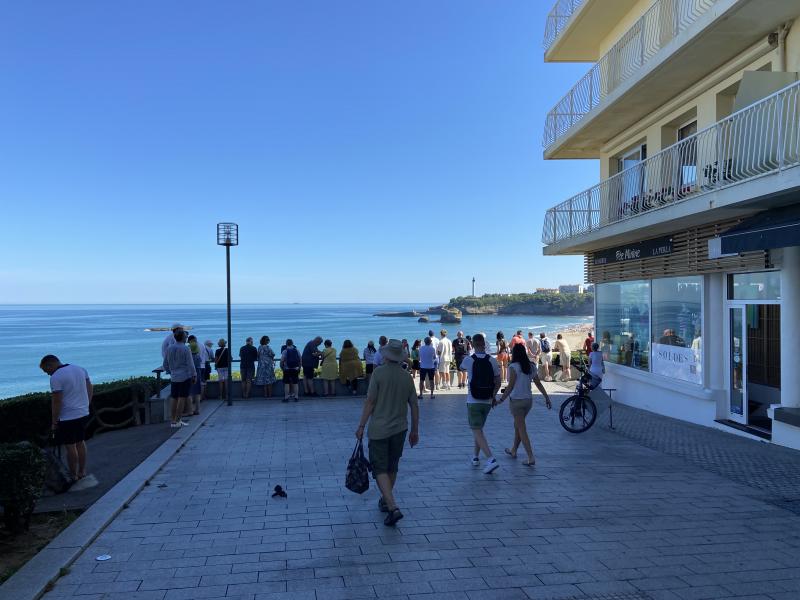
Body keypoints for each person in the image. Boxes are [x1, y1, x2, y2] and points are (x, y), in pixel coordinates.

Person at [354, 339, 420, 527]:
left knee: (379, 468)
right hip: (400, 429)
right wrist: (415, 429)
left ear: (386, 355)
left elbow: (370, 402)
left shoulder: (378, 374)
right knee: (392, 466)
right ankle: (385, 499)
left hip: (379, 430)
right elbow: (414, 405)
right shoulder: (406, 376)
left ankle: (392, 506)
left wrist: (360, 426)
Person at [496, 343, 552, 466]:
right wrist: (546, 397)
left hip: (516, 401)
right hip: (528, 401)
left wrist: (500, 400)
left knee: (521, 428)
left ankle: (530, 457)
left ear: (514, 353)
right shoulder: (531, 366)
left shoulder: (513, 367)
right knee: (518, 426)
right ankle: (513, 450)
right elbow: (538, 383)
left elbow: (510, 387)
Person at [40, 355, 92, 481]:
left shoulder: (56, 377)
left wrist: (54, 422)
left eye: (46, 371)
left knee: (70, 446)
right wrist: (87, 404)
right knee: (80, 442)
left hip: (67, 417)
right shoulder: (80, 369)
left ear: (50, 365)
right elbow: (90, 387)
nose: (48, 374)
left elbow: (56, 401)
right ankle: (82, 471)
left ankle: (73, 475)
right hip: (82, 413)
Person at [460, 333, 501, 474]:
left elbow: (461, 368)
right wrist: (494, 395)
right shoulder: (492, 360)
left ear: (473, 344)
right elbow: (498, 381)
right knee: (479, 429)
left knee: (476, 430)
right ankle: (476, 457)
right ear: (484, 343)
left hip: (473, 400)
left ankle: (490, 459)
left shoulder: (468, 360)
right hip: (488, 401)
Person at [164, 330, 197, 428]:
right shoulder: (186, 348)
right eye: (185, 336)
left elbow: (165, 364)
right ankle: (178, 420)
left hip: (174, 377)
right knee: (182, 398)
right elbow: (190, 364)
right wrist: (194, 375)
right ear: (183, 338)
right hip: (184, 376)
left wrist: (170, 372)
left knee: (174, 398)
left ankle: (173, 420)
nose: (186, 337)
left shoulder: (169, 348)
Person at [186, 335, 203, 416]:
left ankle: (190, 410)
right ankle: (197, 409)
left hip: (189, 374)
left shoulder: (188, 357)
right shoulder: (197, 356)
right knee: (197, 393)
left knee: (189, 392)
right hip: (198, 374)